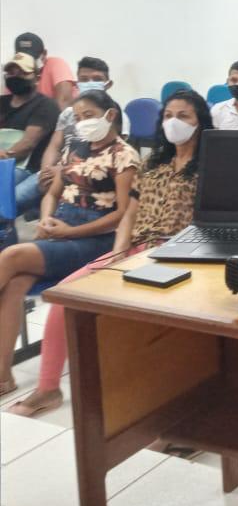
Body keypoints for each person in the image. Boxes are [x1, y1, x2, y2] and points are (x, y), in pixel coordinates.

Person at [7, 90, 211, 417]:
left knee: (148, 323)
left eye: (183, 116)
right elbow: (129, 213)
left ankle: (165, 408)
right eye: (168, 115)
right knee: (64, 298)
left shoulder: (209, 167)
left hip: (178, 253)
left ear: (200, 121)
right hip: (137, 248)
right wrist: (119, 251)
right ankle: (47, 389)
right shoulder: (154, 163)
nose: (174, 122)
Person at [0, 90, 139, 396]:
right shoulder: (74, 149)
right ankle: (3, 377)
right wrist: (46, 221)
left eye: (89, 116)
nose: (82, 122)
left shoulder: (124, 154)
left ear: (110, 115)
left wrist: (68, 233)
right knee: (15, 285)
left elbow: (120, 214)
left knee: (11, 256)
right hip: (61, 227)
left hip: (95, 238)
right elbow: (51, 193)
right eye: (77, 118)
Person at [29, 57, 114, 216]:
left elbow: (111, 157)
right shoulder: (68, 113)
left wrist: (63, 171)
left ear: (108, 84)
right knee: (11, 199)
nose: (90, 83)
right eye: (84, 79)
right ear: (77, 84)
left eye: (97, 79)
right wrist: (46, 172)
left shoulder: (114, 115)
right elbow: (54, 146)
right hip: (55, 171)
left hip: (85, 174)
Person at [0, 53, 60, 216]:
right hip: (3, 165)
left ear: (37, 77)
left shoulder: (46, 106)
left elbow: (27, 145)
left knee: (4, 204)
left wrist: (4, 155)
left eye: (22, 73)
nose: (15, 77)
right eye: (11, 73)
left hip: (27, 169)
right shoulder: (2, 102)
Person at [12, 32, 77, 110]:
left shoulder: (56, 64)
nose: (28, 62)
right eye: (24, 59)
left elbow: (65, 101)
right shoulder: (14, 73)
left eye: (32, 58)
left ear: (44, 54)